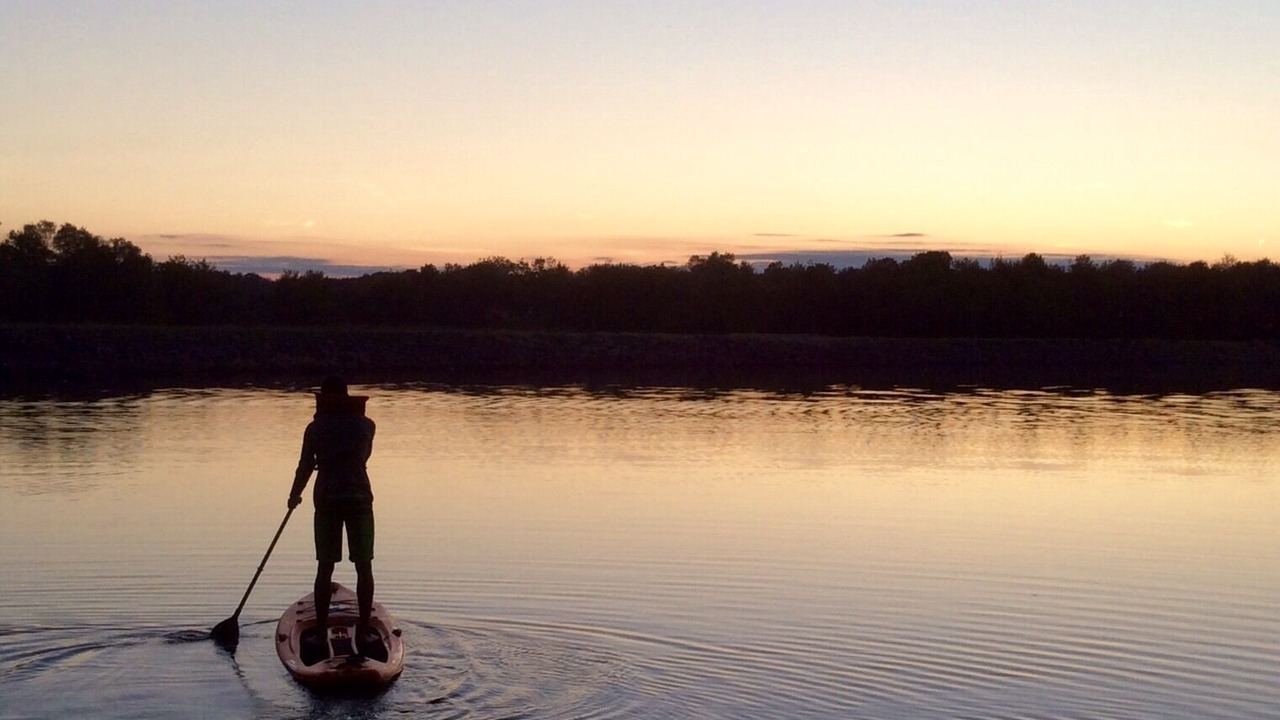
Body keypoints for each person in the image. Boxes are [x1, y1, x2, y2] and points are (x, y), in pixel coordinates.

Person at [288, 376, 378, 651]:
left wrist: (294, 495)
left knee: (325, 565)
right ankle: (363, 630)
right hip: (360, 497)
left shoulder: (315, 429)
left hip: (327, 498)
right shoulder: (367, 426)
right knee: (364, 565)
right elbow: (363, 457)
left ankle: (319, 633)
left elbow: (305, 465)